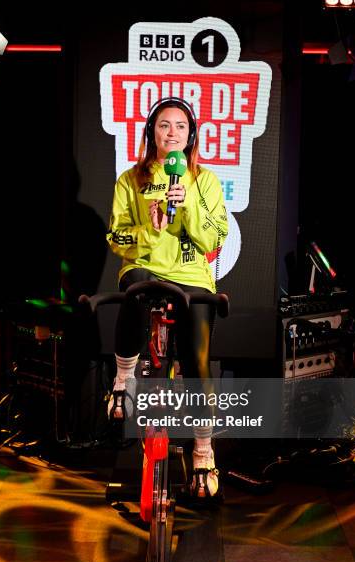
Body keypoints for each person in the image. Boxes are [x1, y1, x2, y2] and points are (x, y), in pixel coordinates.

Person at [106, 96, 228, 497]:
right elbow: (116, 237)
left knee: (197, 357)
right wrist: (150, 229)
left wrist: (187, 204)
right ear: (151, 133)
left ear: (190, 135)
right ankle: (124, 378)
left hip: (191, 276)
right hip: (146, 269)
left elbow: (214, 238)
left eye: (179, 126)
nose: (172, 132)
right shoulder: (130, 180)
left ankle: (203, 450)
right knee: (135, 287)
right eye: (163, 125)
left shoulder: (204, 180)